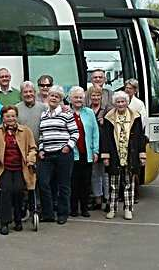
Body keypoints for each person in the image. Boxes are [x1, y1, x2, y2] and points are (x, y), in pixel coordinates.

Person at [0, 105, 37, 235]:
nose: (10, 119)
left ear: (16, 117)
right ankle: (4, 222)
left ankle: (18, 219)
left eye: (13, 116)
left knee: (19, 190)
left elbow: (32, 148)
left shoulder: (26, 131)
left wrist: (31, 158)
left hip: (21, 168)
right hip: (3, 168)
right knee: (6, 190)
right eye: (7, 116)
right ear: (3, 117)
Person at [100, 91, 146, 220]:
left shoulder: (135, 117)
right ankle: (112, 209)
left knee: (128, 183)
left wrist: (142, 155)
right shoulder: (109, 117)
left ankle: (128, 209)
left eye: (123, 102)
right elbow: (106, 138)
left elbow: (140, 137)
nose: (120, 104)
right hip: (115, 155)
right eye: (118, 102)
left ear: (127, 103)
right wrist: (106, 156)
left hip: (130, 155)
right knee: (113, 184)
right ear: (114, 103)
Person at [38, 85, 79, 225]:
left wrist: (68, 146)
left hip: (63, 154)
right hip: (47, 155)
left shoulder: (67, 114)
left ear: (61, 99)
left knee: (63, 185)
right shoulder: (43, 115)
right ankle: (48, 213)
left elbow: (75, 133)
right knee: (43, 182)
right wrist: (41, 149)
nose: (53, 98)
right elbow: (42, 135)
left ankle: (62, 213)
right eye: (51, 95)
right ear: (48, 97)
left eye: (57, 96)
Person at [68, 86, 99, 218]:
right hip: (71, 153)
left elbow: (95, 132)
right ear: (70, 99)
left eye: (80, 97)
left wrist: (96, 150)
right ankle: (74, 208)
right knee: (73, 182)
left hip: (87, 152)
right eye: (76, 97)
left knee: (86, 182)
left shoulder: (89, 113)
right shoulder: (66, 112)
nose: (78, 100)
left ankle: (85, 208)